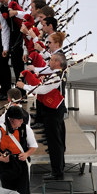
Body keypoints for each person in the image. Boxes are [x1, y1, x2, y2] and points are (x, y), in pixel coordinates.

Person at [17, 51, 67, 180]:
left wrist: (25, 86)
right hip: (52, 110)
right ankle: (59, 166)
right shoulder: (56, 73)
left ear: (57, 62)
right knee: (55, 140)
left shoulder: (57, 76)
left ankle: (57, 172)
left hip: (53, 111)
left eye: (51, 60)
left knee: (54, 142)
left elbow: (43, 89)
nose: (49, 62)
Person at [0, 105, 37, 194]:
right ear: (12, 120)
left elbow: (34, 146)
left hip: (21, 164)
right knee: (8, 193)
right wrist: (1, 158)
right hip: (6, 165)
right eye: (20, 119)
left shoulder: (26, 129)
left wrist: (26, 154)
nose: (22, 121)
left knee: (24, 193)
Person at [0, 0, 26, 101]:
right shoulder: (1, 8)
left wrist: (17, 13)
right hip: (10, 36)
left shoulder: (19, 0)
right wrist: (5, 47)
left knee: (18, 64)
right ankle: (5, 90)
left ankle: (20, 93)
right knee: (0, 60)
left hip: (22, 35)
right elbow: (5, 29)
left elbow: (30, 15)